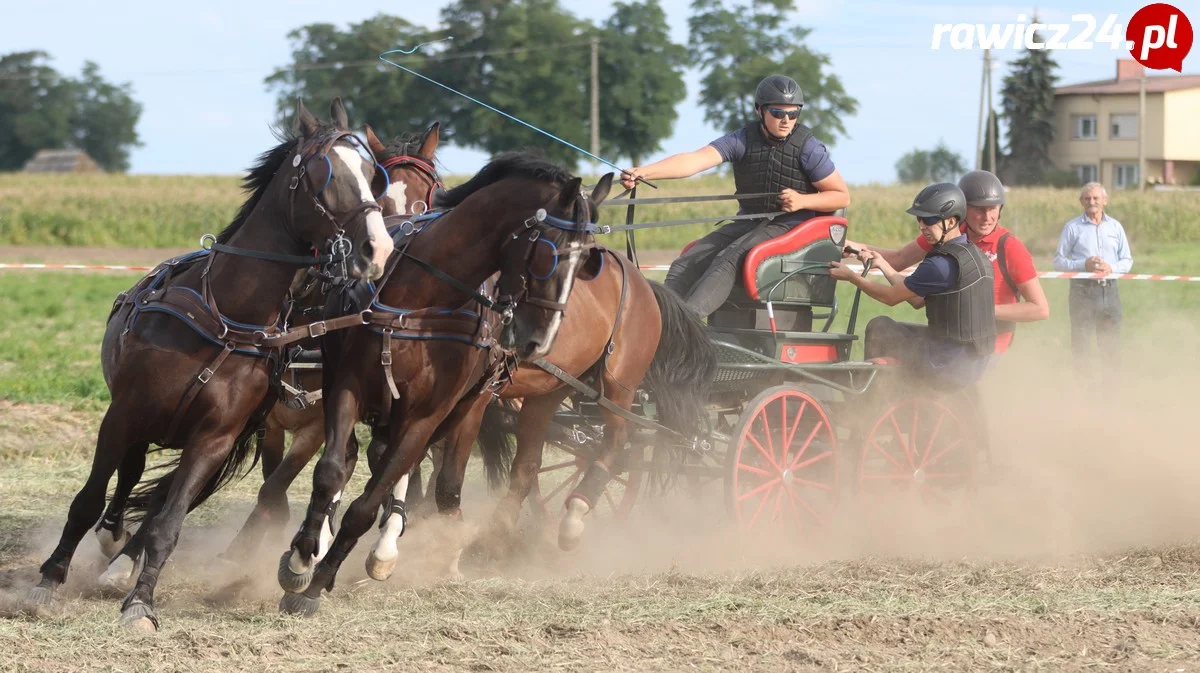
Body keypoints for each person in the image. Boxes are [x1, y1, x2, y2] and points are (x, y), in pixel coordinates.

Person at [620, 74, 851, 317]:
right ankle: (658, 322)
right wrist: (644, 172)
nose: (786, 120)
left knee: (728, 260)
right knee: (686, 262)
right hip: (749, 222)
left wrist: (803, 201)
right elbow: (695, 160)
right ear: (759, 110)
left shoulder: (809, 148)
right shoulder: (741, 139)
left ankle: (686, 326)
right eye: (777, 113)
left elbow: (841, 196)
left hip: (789, 227)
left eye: (793, 114)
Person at [844, 170, 1049, 355]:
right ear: (963, 209)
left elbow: (1040, 309)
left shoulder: (1010, 247)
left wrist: (978, 309)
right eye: (979, 209)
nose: (987, 217)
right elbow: (900, 260)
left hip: (988, 345)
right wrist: (853, 247)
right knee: (882, 331)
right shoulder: (945, 234)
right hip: (950, 336)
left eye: (992, 208)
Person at [829, 183, 996, 392]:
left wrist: (852, 277)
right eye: (919, 219)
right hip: (971, 360)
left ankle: (870, 398)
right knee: (895, 328)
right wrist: (884, 265)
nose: (921, 226)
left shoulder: (940, 264)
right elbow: (917, 300)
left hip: (947, 363)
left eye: (929, 219)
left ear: (951, 221)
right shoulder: (975, 255)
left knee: (880, 328)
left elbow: (891, 298)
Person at [1053, 181, 1133, 380]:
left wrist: (1111, 268)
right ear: (1081, 201)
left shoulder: (1116, 227)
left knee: (1111, 347)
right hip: (1082, 293)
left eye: (1096, 198)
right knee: (1082, 347)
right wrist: (1083, 265)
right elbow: (1058, 262)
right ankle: (1084, 395)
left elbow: (1127, 260)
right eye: (1087, 198)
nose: (1092, 202)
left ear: (1104, 201)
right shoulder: (1072, 228)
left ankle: (1111, 394)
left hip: (1110, 292)